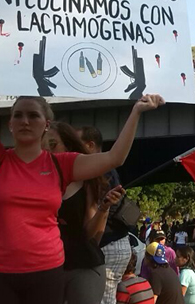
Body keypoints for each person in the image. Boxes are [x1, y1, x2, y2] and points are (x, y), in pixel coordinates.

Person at [0, 12, 164, 304]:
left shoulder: (62, 164)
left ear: (46, 124)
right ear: (9, 123)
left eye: (33, 115)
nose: (24, 120)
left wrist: (136, 111)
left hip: (46, 274)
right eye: (17, 115)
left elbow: (114, 158)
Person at [48, 122, 123, 304]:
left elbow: (91, 237)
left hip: (83, 264)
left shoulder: (88, 181)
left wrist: (103, 208)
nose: (46, 151)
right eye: (41, 146)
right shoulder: (31, 180)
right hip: (45, 267)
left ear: (69, 147)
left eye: (52, 145)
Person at [77, 126, 134, 304]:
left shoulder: (97, 171)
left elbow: (93, 213)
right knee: (107, 298)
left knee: (100, 298)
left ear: (90, 145)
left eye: (75, 144)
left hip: (107, 244)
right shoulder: (108, 170)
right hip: (120, 243)